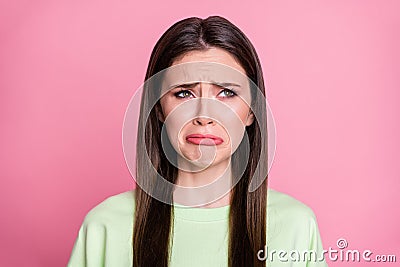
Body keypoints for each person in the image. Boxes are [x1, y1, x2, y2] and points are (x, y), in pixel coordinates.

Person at [68, 16, 328, 267]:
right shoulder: (104, 226)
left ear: (252, 111)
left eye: (226, 93)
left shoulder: (297, 226)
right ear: (158, 109)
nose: (204, 115)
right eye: (184, 93)